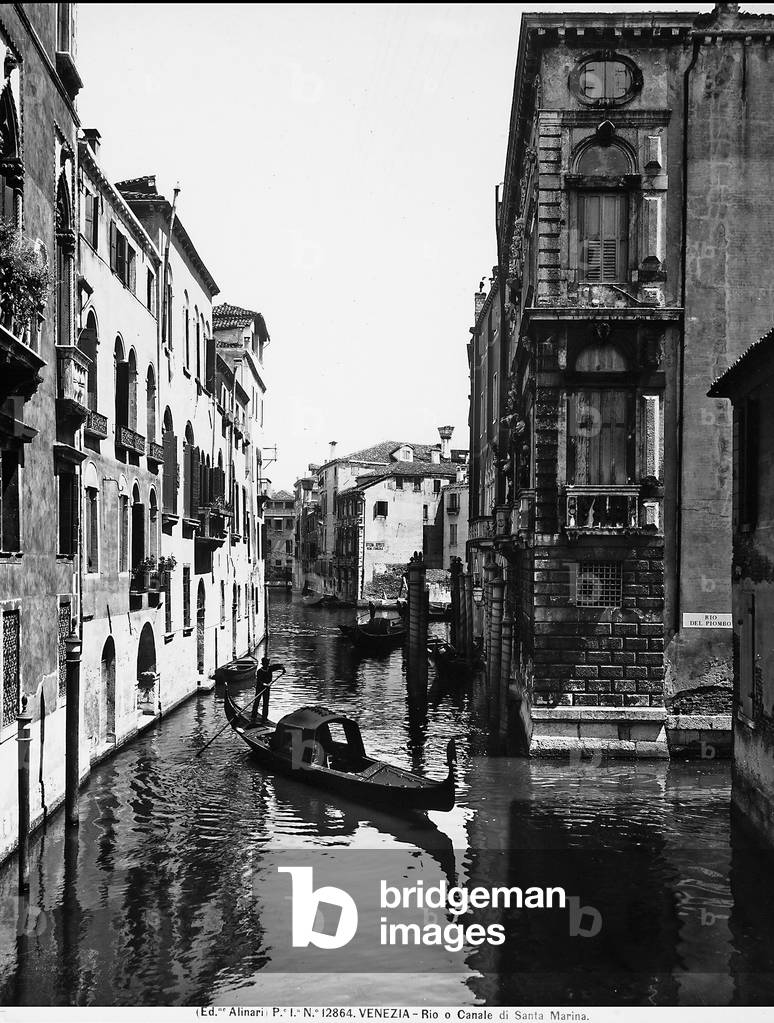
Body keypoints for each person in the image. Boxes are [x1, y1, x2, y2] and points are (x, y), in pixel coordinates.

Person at [251, 656, 285, 723]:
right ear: (263, 664)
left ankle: (264, 718)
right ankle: (253, 716)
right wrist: (265, 684)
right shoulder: (259, 671)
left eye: (268, 663)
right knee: (257, 701)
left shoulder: (270, 669)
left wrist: (283, 669)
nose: (267, 665)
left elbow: (279, 666)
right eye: (266, 663)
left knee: (266, 703)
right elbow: (259, 681)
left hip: (267, 688)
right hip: (260, 688)